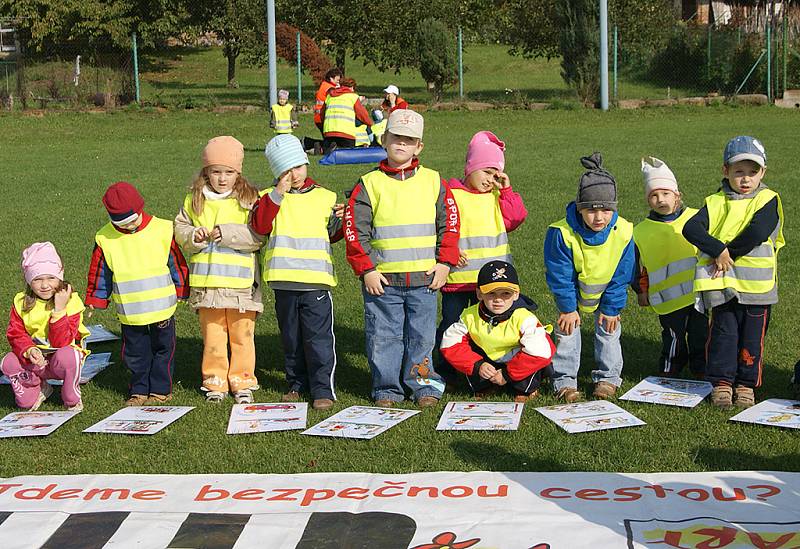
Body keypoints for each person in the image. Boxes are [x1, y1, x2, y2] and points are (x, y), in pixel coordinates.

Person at [345, 109, 460, 408]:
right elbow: (355, 231)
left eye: (409, 140)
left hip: (425, 280)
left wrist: (445, 263)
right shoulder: (368, 184)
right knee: (384, 337)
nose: (401, 144)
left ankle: (424, 386)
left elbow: (449, 224)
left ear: (419, 146)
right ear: (384, 139)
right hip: (383, 282)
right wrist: (366, 269)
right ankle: (387, 389)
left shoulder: (435, 182)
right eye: (396, 137)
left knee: (421, 338)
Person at [682, 136, 784, 409]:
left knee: (752, 339)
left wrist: (728, 253)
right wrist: (717, 249)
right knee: (723, 337)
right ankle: (723, 384)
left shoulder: (768, 199)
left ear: (763, 172)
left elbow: (758, 231)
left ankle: (746, 385)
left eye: (753, 172)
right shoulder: (714, 202)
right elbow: (691, 229)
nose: (746, 178)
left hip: (757, 289)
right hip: (723, 286)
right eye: (739, 171)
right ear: (725, 171)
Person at [250, 134, 343, 411]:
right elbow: (261, 226)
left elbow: (333, 234)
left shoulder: (326, 196)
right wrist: (277, 194)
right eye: (287, 170)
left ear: (306, 164)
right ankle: (296, 383)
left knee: (318, 338)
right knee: (291, 338)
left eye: (299, 167)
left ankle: (322, 388)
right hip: (283, 282)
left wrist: (345, 217)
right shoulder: (268, 198)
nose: (294, 174)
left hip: (315, 282)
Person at [174, 136, 263, 404]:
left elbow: (258, 235)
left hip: (241, 286)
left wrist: (226, 234)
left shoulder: (249, 199)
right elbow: (179, 230)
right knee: (213, 336)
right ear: (206, 172)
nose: (222, 178)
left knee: (242, 336)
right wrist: (193, 235)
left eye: (229, 172)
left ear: (238, 172)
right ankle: (214, 381)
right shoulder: (194, 199)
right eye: (216, 172)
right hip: (208, 285)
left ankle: (243, 380)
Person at [85, 181, 189, 406]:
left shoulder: (162, 229)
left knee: (164, 349)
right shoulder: (105, 238)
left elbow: (176, 263)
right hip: (131, 312)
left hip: (162, 308)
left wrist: (182, 289)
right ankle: (139, 390)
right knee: (135, 353)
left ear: (140, 209)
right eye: (122, 223)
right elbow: (99, 272)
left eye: (133, 220)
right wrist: (96, 299)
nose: (130, 226)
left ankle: (161, 388)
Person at [436, 131, 527, 384]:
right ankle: (445, 368)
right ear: (470, 168)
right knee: (452, 325)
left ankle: (484, 365)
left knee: (490, 326)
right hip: (458, 280)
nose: (490, 180)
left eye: (496, 175)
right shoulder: (451, 194)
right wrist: (449, 251)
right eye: (486, 172)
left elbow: (516, 218)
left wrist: (507, 190)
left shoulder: (497, 198)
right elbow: (439, 226)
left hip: (492, 285)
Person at [544, 153, 634, 402]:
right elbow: (560, 274)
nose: (599, 217)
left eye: (606, 210)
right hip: (572, 291)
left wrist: (612, 307)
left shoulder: (623, 231)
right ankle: (564, 380)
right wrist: (567, 308)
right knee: (567, 330)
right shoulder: (561, 232)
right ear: (580, 208)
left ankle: (607, 378)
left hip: (607, 290)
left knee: (609, 328)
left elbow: (622, 274)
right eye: (591, 210)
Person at [632, 157, 706, 378]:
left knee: (700, 334)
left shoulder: (697, 219)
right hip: (666, 298)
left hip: (699, 293)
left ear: (677, 195)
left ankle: (701, 368)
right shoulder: (641, 231)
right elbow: (640, 267)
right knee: (673, 334)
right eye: (654, 195)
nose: (660, 199)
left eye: (665, 194)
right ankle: (670, 366)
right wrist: (642, 290)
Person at [440, 261, 554, 402]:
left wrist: (507, 374)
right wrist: (477, 365)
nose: (498, 300)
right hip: (488, 361)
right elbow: (450, 344)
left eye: (506, 293)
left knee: (525, 380)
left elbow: (540, 352)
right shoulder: (469, 316)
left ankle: (525, 389)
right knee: (475, 373)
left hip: (518, 360)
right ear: (479, 294)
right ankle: (487, 386)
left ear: (516, 294)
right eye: (491, 293)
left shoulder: (524, 317)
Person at [2, 242, 89, 411]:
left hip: (61, 359)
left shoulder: (71, 301)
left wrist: (59, 310)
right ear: (29, 280)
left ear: (60, 277)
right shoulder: (20, 301)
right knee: (9, 363)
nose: (45, 285)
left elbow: (62, 342)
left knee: (70, 355)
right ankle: (39, 385)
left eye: (51, 278)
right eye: (37, 279)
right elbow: (15, 333)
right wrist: (29, 350)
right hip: (36, 360)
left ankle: (71, 393)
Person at [321, 77, 372, 153]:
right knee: (348, 153)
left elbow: (322, 114)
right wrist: (370, 123)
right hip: (346, 133)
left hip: (329, 132)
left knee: (328, 153)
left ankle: (324, 147)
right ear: (351, 87)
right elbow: (362, 114)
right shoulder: (353, 97)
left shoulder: (330, 96)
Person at [314, 68, 343, 133]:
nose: (338, 82)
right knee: (330, 140)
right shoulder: (330, 88)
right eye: (337, 80)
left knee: (328, 140)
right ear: (331, 78)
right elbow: (336, 99)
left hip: (319, 116)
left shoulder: (324, 85)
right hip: (323, 117)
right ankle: (308, 141)